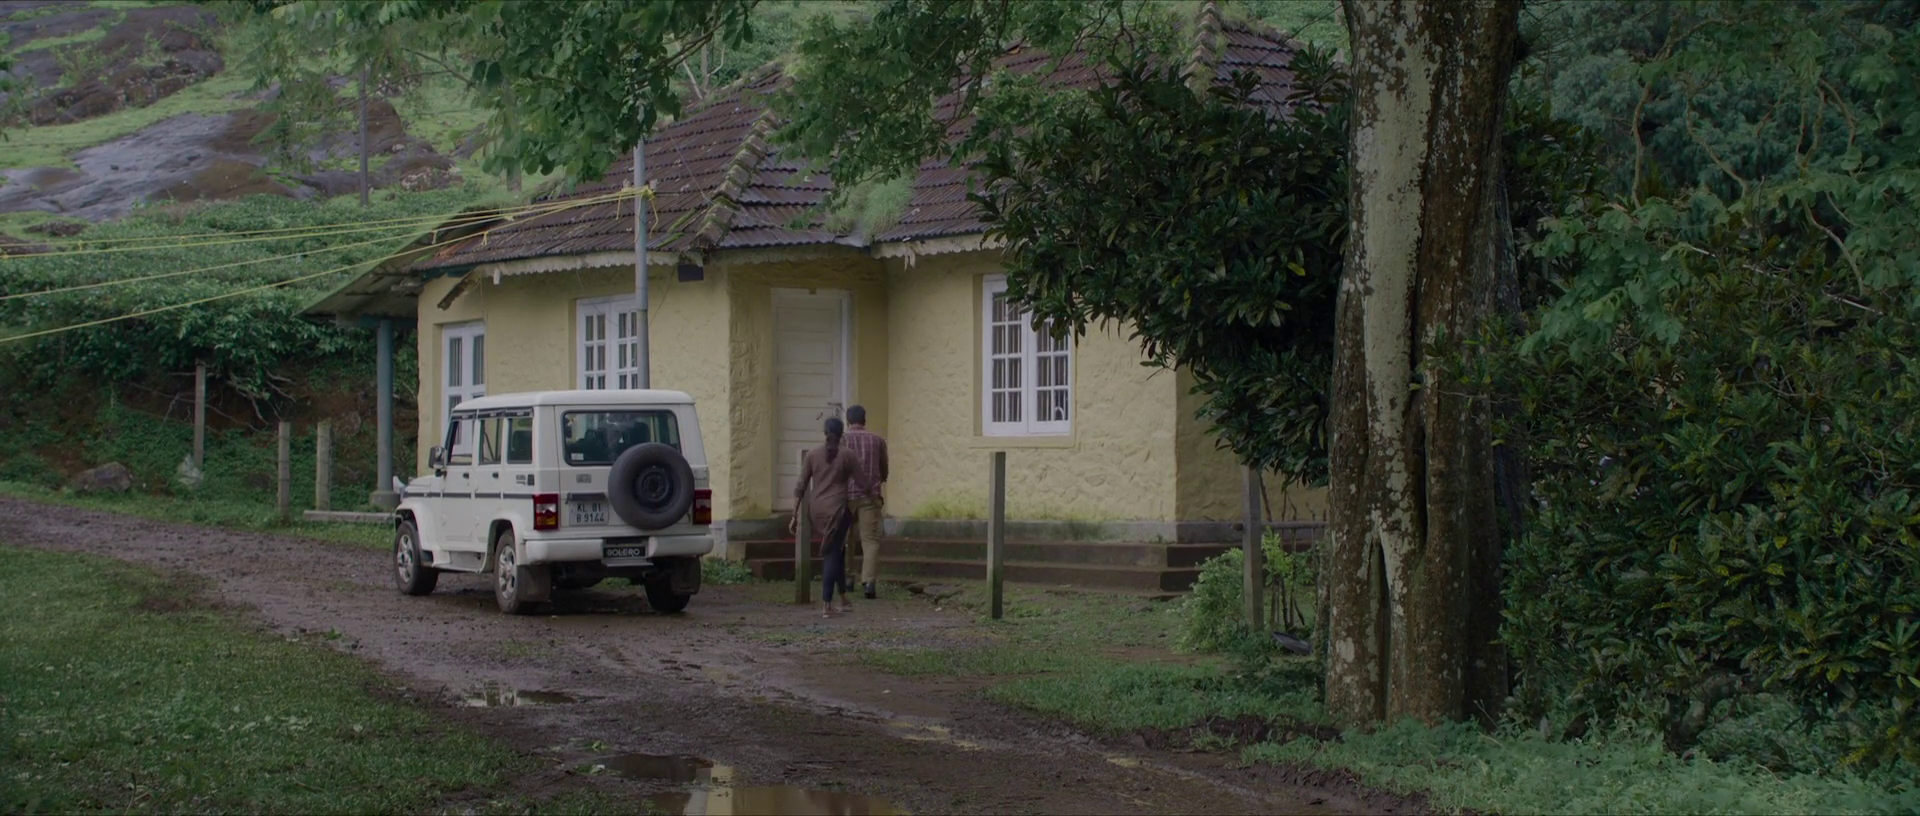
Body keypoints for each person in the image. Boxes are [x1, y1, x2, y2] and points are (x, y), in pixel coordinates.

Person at [794, 417, 866, 617]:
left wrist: (794, 513)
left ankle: (842, 597)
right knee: (833, 553)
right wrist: (871, 498)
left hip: (816, 511)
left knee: (837, 550)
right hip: (837, 511)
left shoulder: (812, 455)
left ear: (825, 433)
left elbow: (800, 486)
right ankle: (827, 604)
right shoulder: (847, 455)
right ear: (842, 433)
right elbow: (863, 483)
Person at [841, 404, 889, 599]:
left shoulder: (842, 440)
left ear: (848, 421)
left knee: (846, 539)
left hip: (845, 497)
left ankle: (848, 578)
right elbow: (884, 468)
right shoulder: (877, 440)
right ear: (864, 420)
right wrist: (879, 481)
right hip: (869, 496)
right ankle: (869, 582)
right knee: (870, 540)